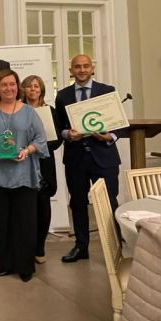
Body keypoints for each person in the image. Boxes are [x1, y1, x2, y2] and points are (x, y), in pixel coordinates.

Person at [0, 69, 48, 282]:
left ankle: (25, 266)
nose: (9, 88)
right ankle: (5, 264)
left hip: (23, 175)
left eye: (12, 84)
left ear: (18, 87)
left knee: (25, 223)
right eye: (4, 85)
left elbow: (40, 139)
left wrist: (27, 151)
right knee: (2, 222)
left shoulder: (28, 112)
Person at [55, 54, 121, 263]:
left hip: (104, 157)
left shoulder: (107, 91)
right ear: (71, 70)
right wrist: (67, 135)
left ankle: (116, 247)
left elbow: (119, 123)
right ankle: (81, 246)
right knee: (78, 202)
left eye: (85, 66)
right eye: (77, 67)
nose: (82, 70)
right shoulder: (63, 95)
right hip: (76, 158)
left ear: (92, 68)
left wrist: (109, 136)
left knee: (109, 202)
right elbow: (59, 128)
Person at [21, 75, 62, 264]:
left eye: (36, 86)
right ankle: (26, 248)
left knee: (43, 206)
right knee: (26, 207)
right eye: (28, 87)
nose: (32, 90)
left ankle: (40, 247)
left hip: (44, 163)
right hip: (22, 163)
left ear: (41, 89)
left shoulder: (50, 111)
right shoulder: (17, 110)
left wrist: (38, 146)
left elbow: (57, 140)